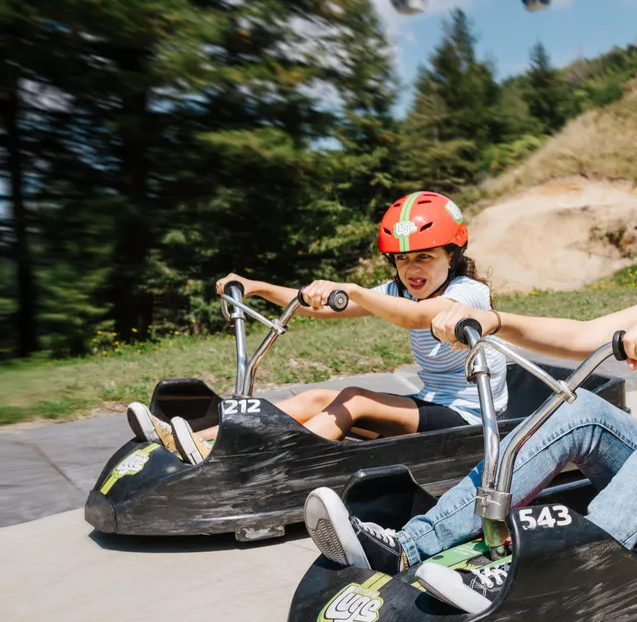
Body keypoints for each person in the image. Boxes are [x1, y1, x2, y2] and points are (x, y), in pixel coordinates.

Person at [302, 120, 637, 613]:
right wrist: (495, 320)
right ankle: (408, 546)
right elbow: (585, 335)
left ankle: (574, 563)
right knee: (579, 408)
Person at [125, 191, 507, 464]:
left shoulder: (468, 292)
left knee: (355, 399)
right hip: (431, 403)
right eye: (402, 259)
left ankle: (268, 464)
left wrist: (352, 289)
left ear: (452, 255)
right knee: (315, 398)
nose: (412, 269)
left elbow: (417, 316)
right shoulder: (399, 291)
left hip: (473, 418)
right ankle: (194, 440)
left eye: (425, 257)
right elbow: (321, 310)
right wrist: (257, 286)